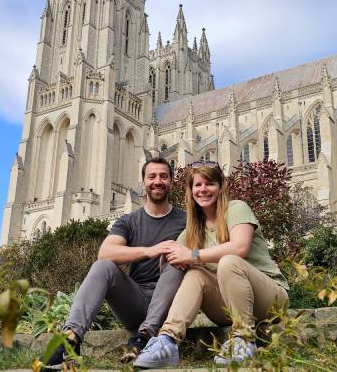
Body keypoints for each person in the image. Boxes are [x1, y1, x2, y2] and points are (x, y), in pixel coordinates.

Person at [133, 161, 289, 369]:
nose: (203, 189)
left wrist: (192, 255)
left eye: (210, 183)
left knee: (229, 261)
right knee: (194, 274)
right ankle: (167, 341)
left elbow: (239, 247)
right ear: (190, 191)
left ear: (220, 187)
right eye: (197, 185)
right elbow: (171, 263)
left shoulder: (236, 209)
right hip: (226, 308)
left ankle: (243, 339)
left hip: (270, 300)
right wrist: (171, 257)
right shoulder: (192, 231)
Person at [44, 158, 186, 368]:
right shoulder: (128, 221)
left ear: (171, 182)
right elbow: (105, 252)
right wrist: (150, 251)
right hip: (136, 301)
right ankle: (70, 340)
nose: (158, 181)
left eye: (164, 176)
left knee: (177, 260)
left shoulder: (187, 219)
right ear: (143, 183)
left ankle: (144, 338)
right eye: (152, 176)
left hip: (171, 304)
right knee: (103, 266)